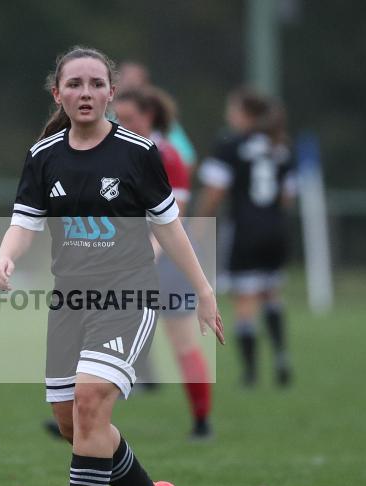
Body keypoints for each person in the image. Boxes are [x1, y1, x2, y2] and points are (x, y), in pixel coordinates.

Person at [0, 47, 224, 486]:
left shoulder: (139, 153)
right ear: (59, 94)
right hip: (69, 301)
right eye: (74, 84)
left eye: (97, 84)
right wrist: (5, 256)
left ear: (112, 94)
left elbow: (171, 227)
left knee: (91, 402)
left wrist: (204, 291)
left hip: (129, 296)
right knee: (75, 425)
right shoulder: (43, 155)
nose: (86, 93)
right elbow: (24, 223)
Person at [114, 86, 214, 439]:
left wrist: (150, 253)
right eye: (117, 118)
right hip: (128, 260)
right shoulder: (116, 151)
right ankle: (81, 416)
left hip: (169, 263)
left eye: (129, 119)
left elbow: (174, 220)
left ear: (150, 117)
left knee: (182, 342)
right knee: (105, 340)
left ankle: (202, 422)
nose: (121, 124)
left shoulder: (167, 156)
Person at [198, 88, 296, 387]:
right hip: (276, 230)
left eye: (233, 110)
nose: (229, 116)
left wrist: (200, 222)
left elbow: (215, 191)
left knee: (245, 301)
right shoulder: (280, 145)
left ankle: (251, 373)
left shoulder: (230, 145)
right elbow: (288, 198)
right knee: (271, 293)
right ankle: (281, 355)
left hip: (245, 231)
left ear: (246, 115)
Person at [118, 61, 199, 173]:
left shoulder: (166, 127)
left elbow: (186, 160)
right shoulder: (106, 117)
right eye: (126, 83)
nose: (124, 125)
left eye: (134, 85)